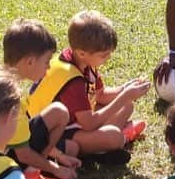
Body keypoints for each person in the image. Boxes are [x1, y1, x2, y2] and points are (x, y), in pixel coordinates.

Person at [27, 10, 150, 165]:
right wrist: (124, 96)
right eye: (104, 55)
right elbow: (89, 123)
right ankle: (104, 147)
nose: (108, 58)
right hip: (54, 133)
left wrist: (125, 89)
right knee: (114, 137)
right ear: (82, 53)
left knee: (126, 107)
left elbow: (101, 95)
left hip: (75, 121)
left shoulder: (83, 61)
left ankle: (99, 147)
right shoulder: (73, 80)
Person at [2, 17, 81, 179]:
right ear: (30, 61)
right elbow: (23, 153)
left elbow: (24, 135)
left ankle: (33, 170)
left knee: (59, 112)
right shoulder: (11, 99)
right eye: (46, 62)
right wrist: (56, 169)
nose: (47, 70)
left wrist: (60, 156)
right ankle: (30, 175)